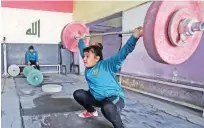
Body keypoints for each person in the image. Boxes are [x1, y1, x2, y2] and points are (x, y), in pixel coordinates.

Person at [73, 26, 143, 128]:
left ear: (97, 58)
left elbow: (124, 52)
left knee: (108, 108)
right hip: (96, 98)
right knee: (78, 94)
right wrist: (80, 39)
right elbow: (82, 48)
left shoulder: (107, 65)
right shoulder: (89, 64)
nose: (84, 59)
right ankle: (91, 111)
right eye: (84, 56)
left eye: (87, 56)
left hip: (114, 98)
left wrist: (135, 36)